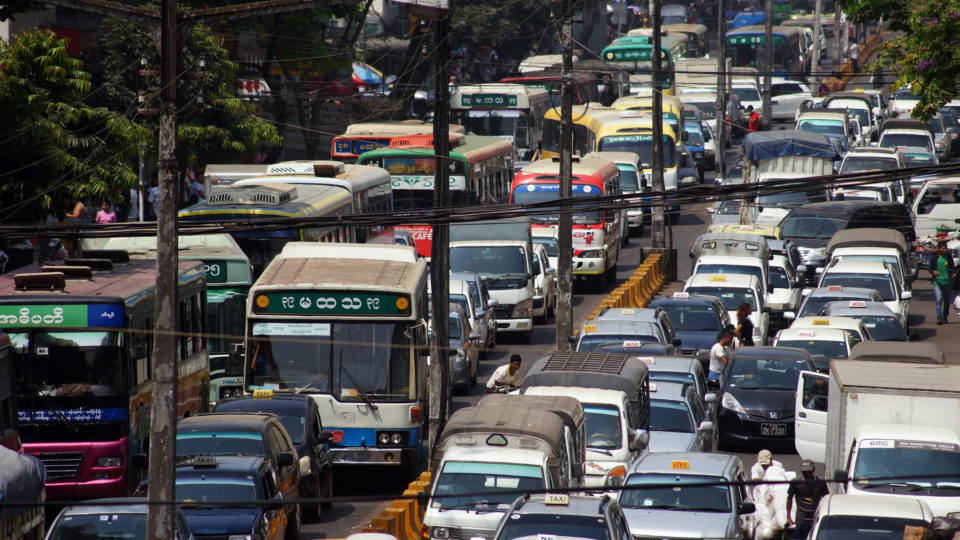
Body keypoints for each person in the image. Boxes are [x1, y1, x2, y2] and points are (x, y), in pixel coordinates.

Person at [786, 459, 829, 540]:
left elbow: (826, 498)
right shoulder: (796, 482)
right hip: (801, 519)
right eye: (804, 472)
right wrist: (788, 517)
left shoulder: (820, 481)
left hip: (815, 518)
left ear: (813, 470)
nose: (806, 474)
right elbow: (789, 498)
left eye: (808, 472)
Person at [930, 240, 957, 324]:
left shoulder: (948, 257)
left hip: (947, 282)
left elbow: (952, 267)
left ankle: (945, 315)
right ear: (939, 249)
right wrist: (933, 272)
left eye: (946, 248)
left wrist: (953, 273)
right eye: (943, 248)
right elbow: (930, 268)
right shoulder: (935, 257)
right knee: (938, 299)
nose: (945, 250)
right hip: (937, 282)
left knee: (947, 300)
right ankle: (939, 318)